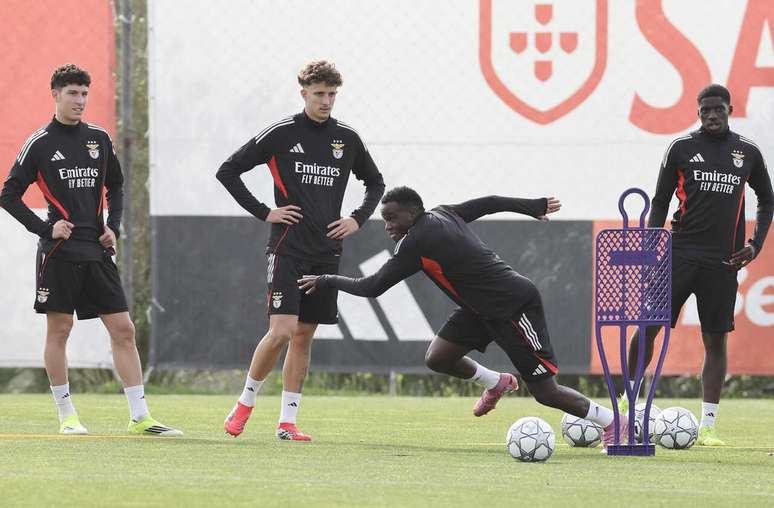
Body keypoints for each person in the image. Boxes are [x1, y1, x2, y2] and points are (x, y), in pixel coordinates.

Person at [299, 186, 627, 449]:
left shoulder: (417, 240)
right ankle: (496, 381)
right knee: (439, 357)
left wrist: (327, 280)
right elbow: (489, 202)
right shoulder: (443, 212)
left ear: (413, 214)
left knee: (545, 392)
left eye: (392, 218)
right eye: (384, 219)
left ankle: (614, 422)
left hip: (514, 307)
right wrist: (532, 205)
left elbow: (372, 286)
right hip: (479, 309)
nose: (387, 226)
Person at [0, 64, 182, 436]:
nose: (80, 100)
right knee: (61, 328)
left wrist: (113, 226)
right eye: (72, 93)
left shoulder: (98, 139)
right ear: (55, 94)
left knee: (123, 328)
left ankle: (140, 417)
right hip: (60, 253)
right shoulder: (40, 143)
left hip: (96, 251)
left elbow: (115, 185)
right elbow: (8, 194)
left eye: (84, 93)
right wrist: (45, 228)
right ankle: (67, 416)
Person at [216, 60, 385, 441]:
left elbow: (375, 182)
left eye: (332, 94)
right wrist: (265, 211)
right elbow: (228, 170)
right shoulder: (282, 133)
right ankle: (244, 404)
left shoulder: (347, 139)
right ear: (304, 93)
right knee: (281, 330)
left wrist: (357, 218)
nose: (326, 101)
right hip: (287, 247)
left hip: (326, 251)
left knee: (304, 335)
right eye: (319, 94)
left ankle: (287, 421)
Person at [626, 84, 773, 446]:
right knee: (647, 328)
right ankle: (629, 408)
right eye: (705, 110)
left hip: (723, 261)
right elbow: (660, 201)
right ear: (698, 112)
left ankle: (708, 425)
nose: (711, 116)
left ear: (729, 110)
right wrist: (649, 247)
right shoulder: (681, 149)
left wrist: (754, 245)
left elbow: (767, 200)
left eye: (718, 110)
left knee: (715, 341)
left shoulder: (747, 152)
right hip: (679, 253)